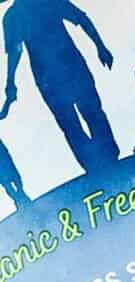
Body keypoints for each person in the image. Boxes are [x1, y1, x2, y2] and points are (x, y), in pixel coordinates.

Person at [0, 0, 118, 174]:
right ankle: (98, 163)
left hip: (63, 68)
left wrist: (100, 46)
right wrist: (10, 82)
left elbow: (80, 17)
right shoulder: (14, 16)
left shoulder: (20, 13)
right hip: (56, 72)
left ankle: (105, 159)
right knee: (79, 118)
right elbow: (15, 50)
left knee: (83, 115)